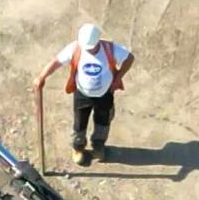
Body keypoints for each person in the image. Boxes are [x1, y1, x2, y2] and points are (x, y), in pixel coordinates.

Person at [35, 22, 134, 166]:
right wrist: (41, 77)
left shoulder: (109, 49)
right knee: (79, 123)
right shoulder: (75, 48)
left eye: (92, 47)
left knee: (103, 122)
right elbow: (56, 62)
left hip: (104, 94)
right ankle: (78, 148)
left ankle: (98, 145)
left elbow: (129, 58)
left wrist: (118, 78)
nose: (89, 50)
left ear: (98, 41)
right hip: (82, 94)